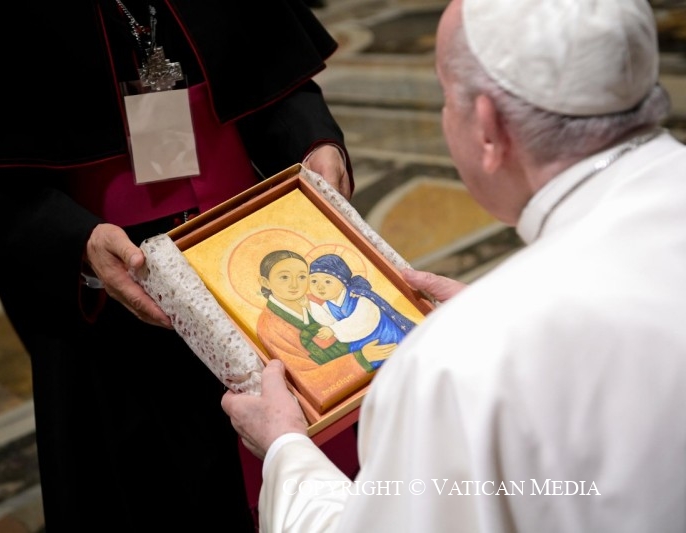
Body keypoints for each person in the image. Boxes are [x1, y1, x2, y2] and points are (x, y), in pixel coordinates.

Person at [0, 0, 358, 530]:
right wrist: (71, 239)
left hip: (252, 268)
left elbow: (271, 71)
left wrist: (316, 142)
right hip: (109, 309)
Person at [221, 0, 686, 531]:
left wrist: (285, 450)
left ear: (487, 127)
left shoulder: (455, 366)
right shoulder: (481, 344)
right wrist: (498, 319)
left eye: (445, 96)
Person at [256, 250, 394, 413]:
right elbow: (306, 377)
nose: (295, 285)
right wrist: (361, 358)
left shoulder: (318, 297)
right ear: (265, 282)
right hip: (344, 399)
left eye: (302, 277)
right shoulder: (269, 326)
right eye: (284, 277)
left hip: (387, 366)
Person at [307, 253, 416, 357]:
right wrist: (309, 306)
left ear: (342, 281)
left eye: (327, 282)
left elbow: (362, 320)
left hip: (386, 338)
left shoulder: (358, 296)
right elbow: (327, 320)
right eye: (314, 281)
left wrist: (334, 330)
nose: (319, 287)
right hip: (364, 345)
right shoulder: (328, 305)